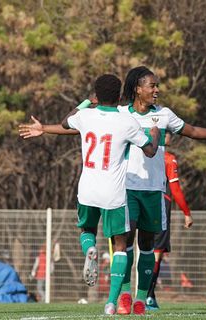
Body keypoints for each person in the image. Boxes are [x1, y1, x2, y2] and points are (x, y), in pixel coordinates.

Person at [20, 66, 206, 315]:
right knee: (124, 245)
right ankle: (125, 296)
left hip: (154, 190)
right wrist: (45, 128)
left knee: (148, 246)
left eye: (157, 85)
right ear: (137, 89)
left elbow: (192, 131)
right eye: (152, 85)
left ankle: (142, 298)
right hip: (126, 188)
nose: (156, 90)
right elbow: (75, 128)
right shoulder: (120, 114)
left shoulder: (164, 115)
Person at [19, 74, 161, 315]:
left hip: (87, 190)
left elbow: (65, 122)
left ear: (96, 96)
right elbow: (149, 151)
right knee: (120, 246)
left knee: (87, 232)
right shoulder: (127, 122)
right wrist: (155, 135)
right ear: (119, 97)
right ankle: (111, 303)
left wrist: (86, 101)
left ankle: (89, 251)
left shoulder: (85, 116)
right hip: (114, 193)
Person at [146, 131, 193, 311]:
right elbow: (175, 189)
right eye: (167, 132)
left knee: (131, 249)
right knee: (156, 252)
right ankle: (148, 295)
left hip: (135, 202)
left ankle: (125, 294)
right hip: (159, 206)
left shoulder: (137, 154)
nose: (170, 136)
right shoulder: (167, 158)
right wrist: (187, 213)